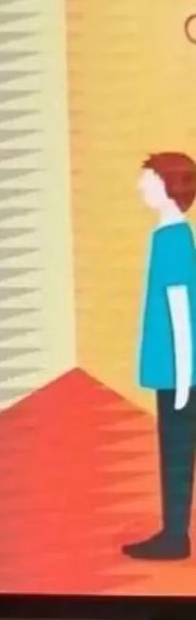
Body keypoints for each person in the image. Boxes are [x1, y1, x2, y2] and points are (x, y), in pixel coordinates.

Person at [124, 153, 196, 561]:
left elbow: (182, 310)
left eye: (149, 179)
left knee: (178, 452)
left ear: (168, 186)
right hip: (172, 368)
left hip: (177, 371)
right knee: (174, 451)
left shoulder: (173, 240)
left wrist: (185, 378)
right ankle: (173, 533)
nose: (141, 186)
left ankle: (175, 537)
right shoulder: (166, 234)